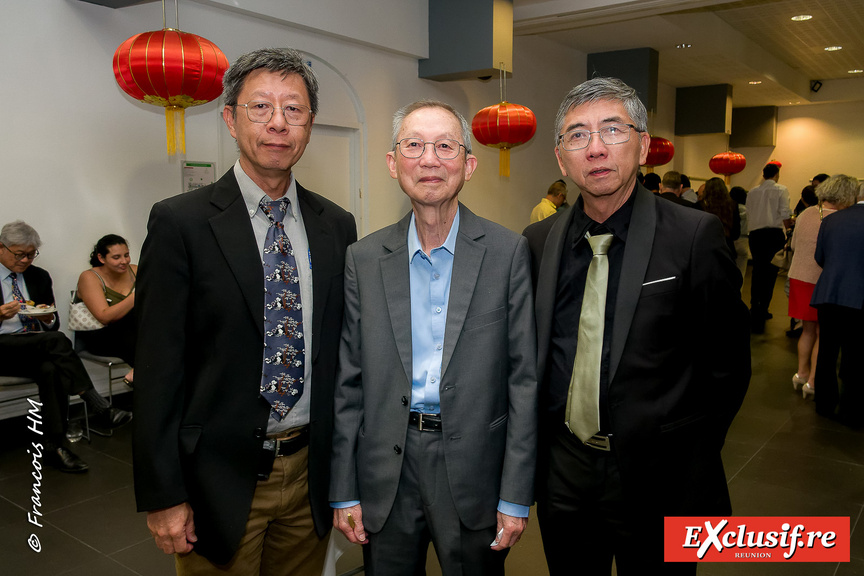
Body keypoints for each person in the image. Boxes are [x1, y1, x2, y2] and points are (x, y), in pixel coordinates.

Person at [132, 47, 357, 574]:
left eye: (293, 110)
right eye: (260, 107)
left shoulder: (336, 226)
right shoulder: (180, 223)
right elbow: (158, 368)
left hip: (309, 476)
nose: (278, 124)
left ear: (309, 124)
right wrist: (163, 494)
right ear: (231, 119)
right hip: (218, 478)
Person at [523, 77, 750, 575]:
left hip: (661, 476)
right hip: (564, 472)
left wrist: (686, 446)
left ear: (644, 145)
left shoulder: (693, 235)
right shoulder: (538, 241)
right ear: (562, 158)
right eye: (578, 135)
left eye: (612, 129)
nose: (597, 147)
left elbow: (728, 364)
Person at [330, 100, 537, 575]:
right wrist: (344, 488)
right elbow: (349, 381)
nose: (428, 159)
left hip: (471, 469)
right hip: (387, 467)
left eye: (445, 146)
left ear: (468, 164)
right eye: (414, 145)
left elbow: (523, 381)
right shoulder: (363, 259)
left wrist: (516, 495)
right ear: (391, 162)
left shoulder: (507, 253)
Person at [0, 221, 132, 473]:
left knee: (52, 368)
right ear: (1, 248)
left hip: (32, 345)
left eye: (31, 254)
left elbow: (53, 323)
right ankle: (98, 405)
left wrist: (45, 317)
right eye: (20, 254)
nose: (26, 260)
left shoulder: (38, 276)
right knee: (57, 341)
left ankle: (54, 446)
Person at [788, 177, 856, 400]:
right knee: (822, 334)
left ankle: (801, 373)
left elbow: (795, 245)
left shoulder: (807, 213)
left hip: (798, 275)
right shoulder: (839, 219)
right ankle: (814, 382)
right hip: (820, 280)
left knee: (807, 330)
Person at [810, 174, 863, 428]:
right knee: (855, 355)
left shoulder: (831, 221)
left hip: (829, 294)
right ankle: (851, 409)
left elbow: (820, 257)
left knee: (828, 351)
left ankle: (824, 403)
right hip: (859, 297)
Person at [75, 234, 136, 384]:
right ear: (102, 258)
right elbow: (104, 316)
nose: (124, 261)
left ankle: (138, 372)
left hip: (135, 333)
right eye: (116, 257)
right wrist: (136, 295)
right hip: (103, 335)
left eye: (126, 255)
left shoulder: (135, 271)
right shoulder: (90, 277)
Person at [746, 163, 792, 333]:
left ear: (763, 175)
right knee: (771, 272)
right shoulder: (781, 189)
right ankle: (764, 308)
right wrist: (789, 229)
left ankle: (753, 305)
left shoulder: (752, 192)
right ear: (777, 174)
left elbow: (749, 212)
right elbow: (785, 213)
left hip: (755, 235)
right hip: (773, 235)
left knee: (757, 270)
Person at [699, 177, 740, 258]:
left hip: (705, 249)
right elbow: (736, 233)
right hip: (727, 249)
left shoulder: (700, 206)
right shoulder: (732, 205)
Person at [730, 185, 750, 279]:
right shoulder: (748, 211)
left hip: (731, 240)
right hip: (744, 240)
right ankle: (739, 292)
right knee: (741, 271)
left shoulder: (730, 209)